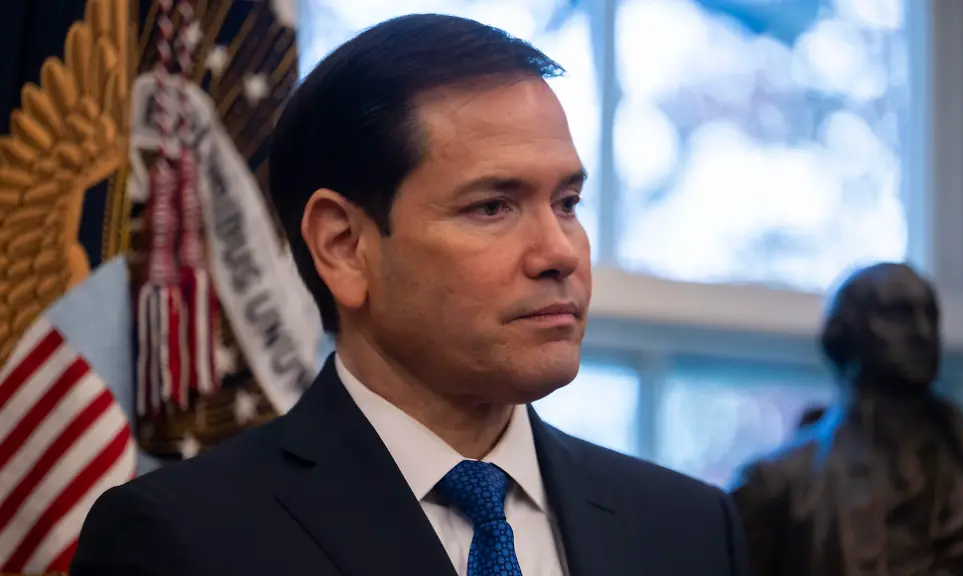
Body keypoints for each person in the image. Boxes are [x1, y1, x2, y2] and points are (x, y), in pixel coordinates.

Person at [71, 14, 750, 576]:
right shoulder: (180, 540)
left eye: (567, 202)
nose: (560, 252)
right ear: (343, 245)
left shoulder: (689, 531)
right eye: (492, 206)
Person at [728, 262, 963, 576]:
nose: (923, 333)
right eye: (898, 314)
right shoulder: (776, 488)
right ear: (844, 332)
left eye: (930, 315)